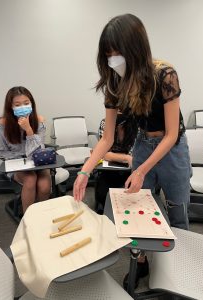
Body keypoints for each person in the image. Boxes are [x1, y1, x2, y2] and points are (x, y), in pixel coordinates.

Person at [73, 14, 191, 288]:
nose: (113, 59)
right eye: (108, 53)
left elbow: (172, 134)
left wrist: (140, 169)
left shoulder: (165, 75)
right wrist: (83, 171)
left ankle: (179, 268)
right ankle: (141, 262)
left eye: (118, 52)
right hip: (143, 143)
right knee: (137, 209)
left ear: (136, 48)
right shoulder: (115, 83)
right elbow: (107, 138)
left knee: (176, 210)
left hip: (172, 149)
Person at [0, 86, 51, 213]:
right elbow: (0, 151)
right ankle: (28, 218)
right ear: (11, 106)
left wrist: (29, 130)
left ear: (31, 104)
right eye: (18, 104)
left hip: (37, 162)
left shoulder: (39, 121)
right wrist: (20, 158)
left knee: (44, 185)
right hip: (17, 164)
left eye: (26, 103)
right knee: (30, 179)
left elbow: (39, 150)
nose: (23, 107)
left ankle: (41, 215)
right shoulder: (3, 125)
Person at [95, 112, 137, 214]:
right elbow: (104, 154)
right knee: (102, 194)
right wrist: (126, 157)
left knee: (132, 198)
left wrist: (114, 156)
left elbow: (134, 156)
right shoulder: (105, 123)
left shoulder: (135, 124)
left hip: (130, 170)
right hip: (109, 169)